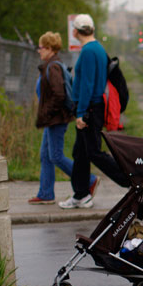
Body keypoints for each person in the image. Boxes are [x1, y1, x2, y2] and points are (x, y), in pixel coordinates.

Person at [59, 14, 128, 209]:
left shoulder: (89, 51)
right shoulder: (97, 48)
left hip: (90, 108)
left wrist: (81, 112)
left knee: (94, 152)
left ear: (75, 31)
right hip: (94, 107)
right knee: (80, 153)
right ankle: (81, 195)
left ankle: (130, 179)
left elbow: (87, 84)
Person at [31, 31, 96, 205]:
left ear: (49, 48)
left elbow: (59, 95)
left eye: (41, 47)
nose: (39, 50)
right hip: (52, 119)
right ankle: (46, 193)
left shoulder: (53, 67)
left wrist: (47, 112)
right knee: (45, 155)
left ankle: (89, 180)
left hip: (56, 119)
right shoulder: (52, 64)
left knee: (56, 156)